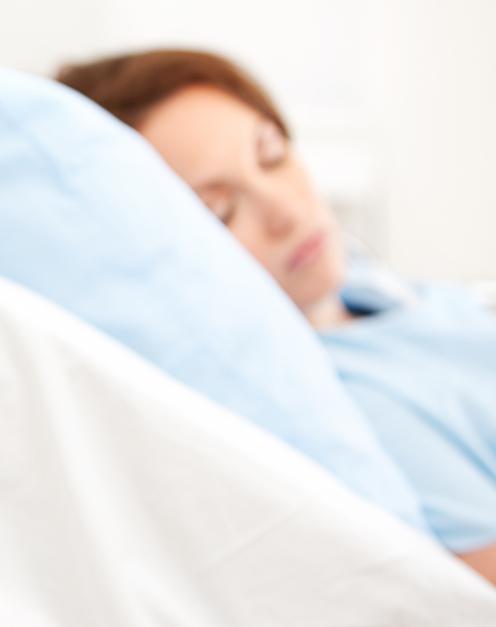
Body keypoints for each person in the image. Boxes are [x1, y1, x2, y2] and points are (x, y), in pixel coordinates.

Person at [56, 50, 496, 584]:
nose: (286, 211)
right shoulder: (356, 405)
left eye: (271, 154)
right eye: (219, 212)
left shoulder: (366, 288)